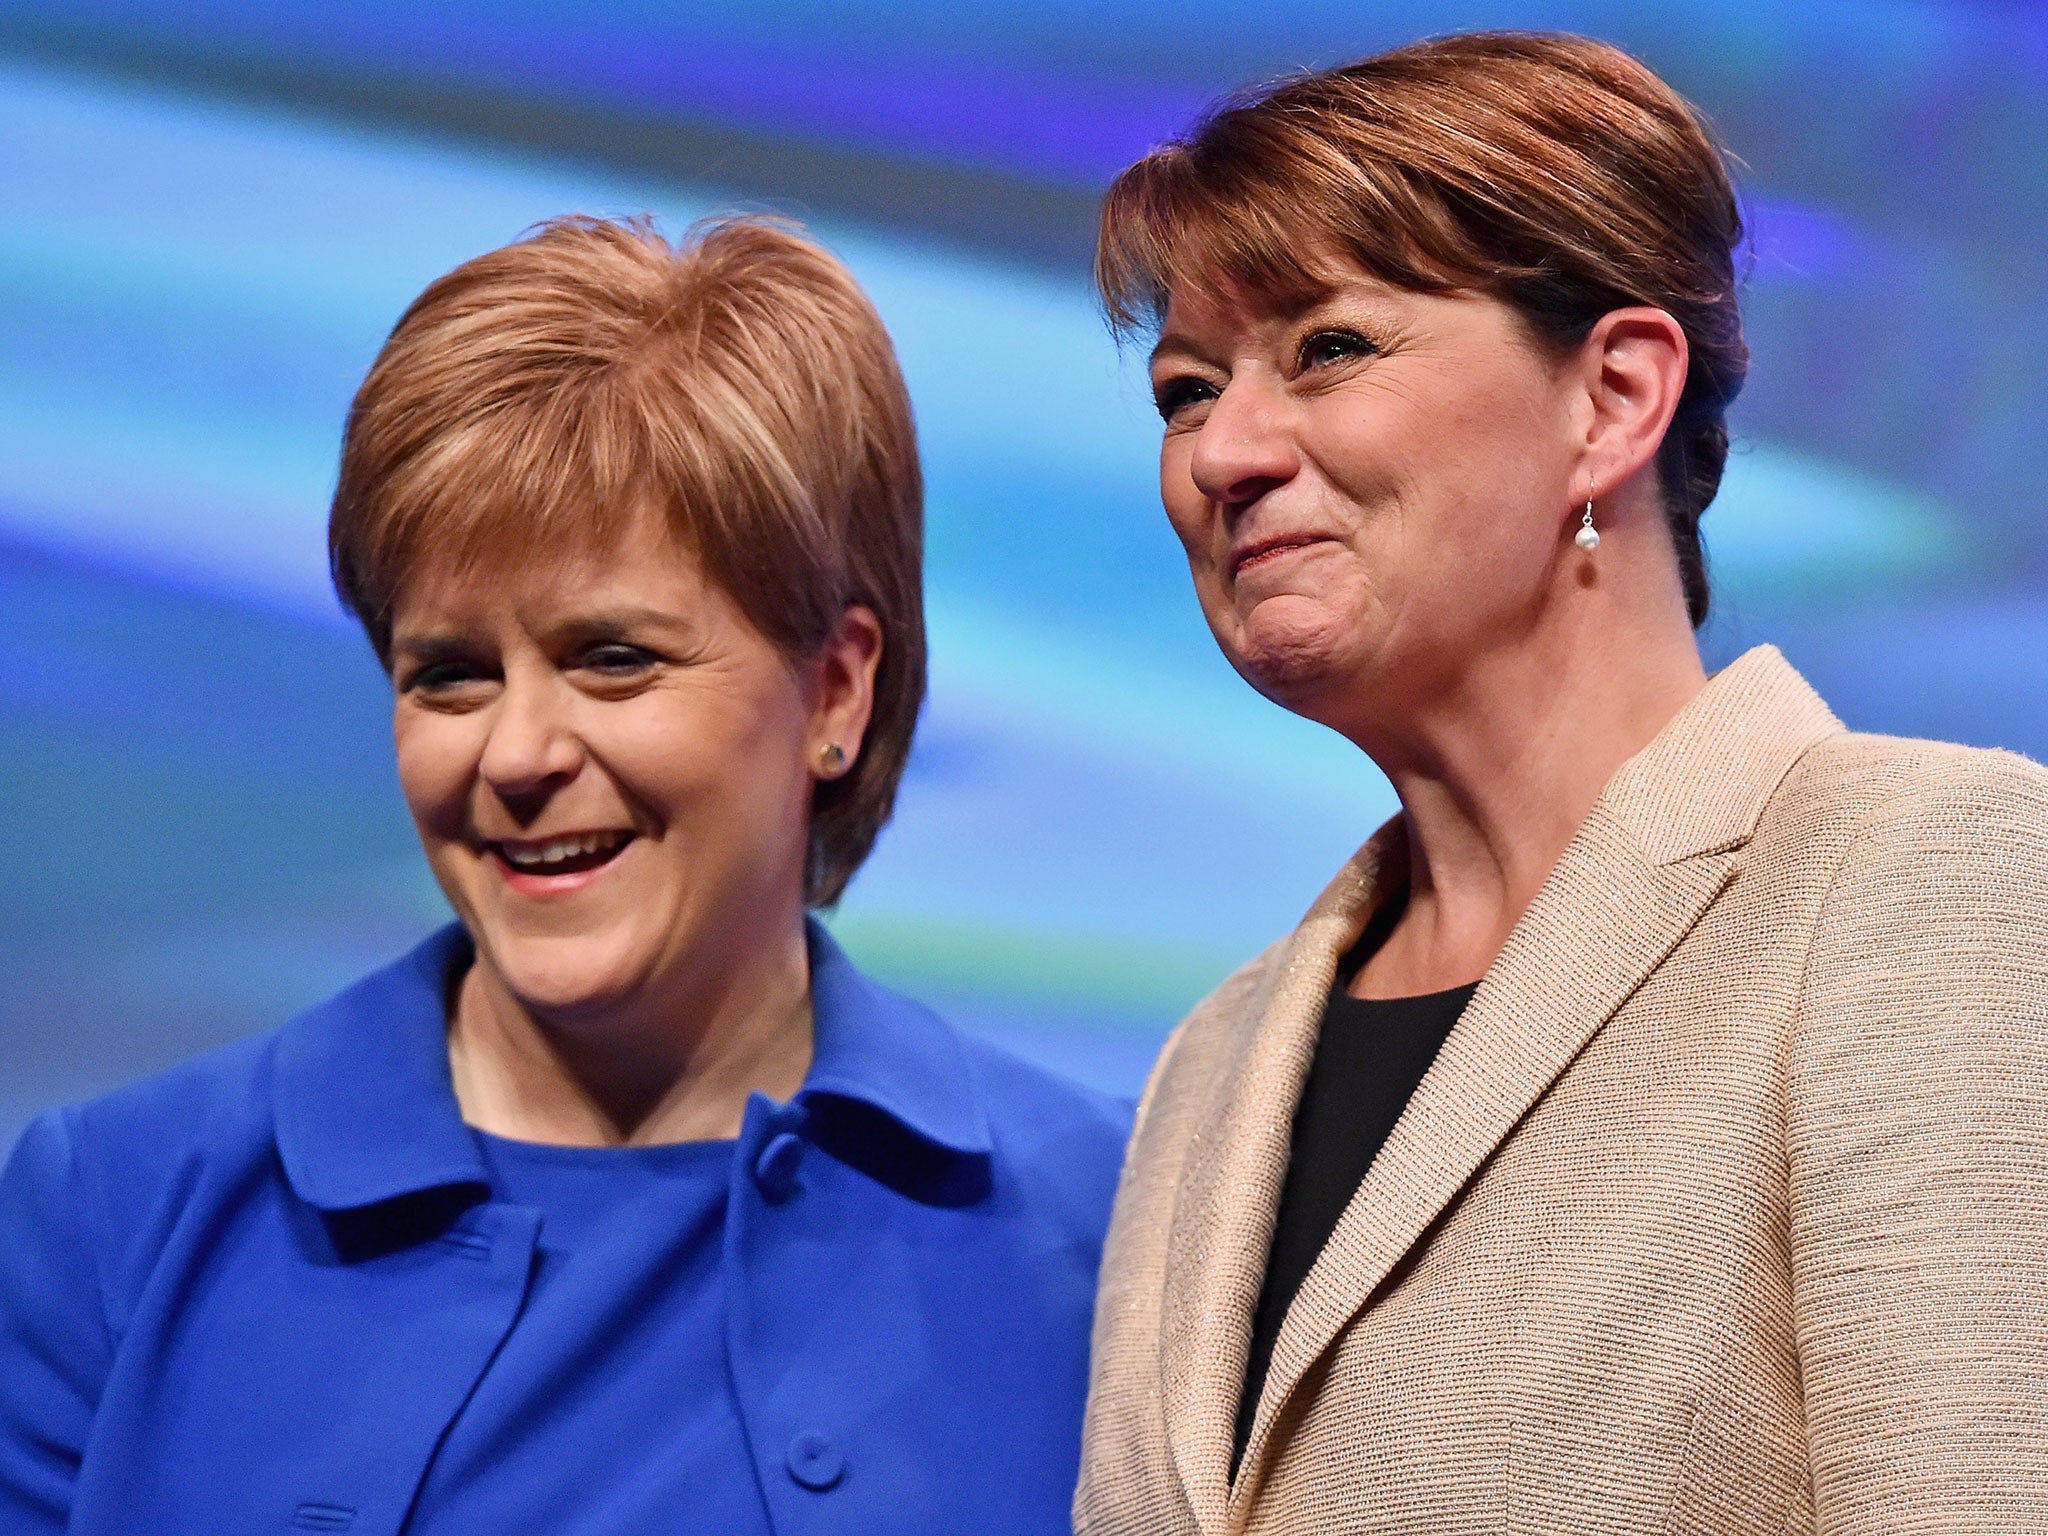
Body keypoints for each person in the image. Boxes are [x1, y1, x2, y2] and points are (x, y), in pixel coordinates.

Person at [0, 214, 1130, 1535]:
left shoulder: (1115, 1228)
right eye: (451, 676)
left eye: (613, 658)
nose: (519, 756)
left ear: (836, 687)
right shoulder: (114, 1215)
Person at [1075, 31, 2048, 1534]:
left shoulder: (1917, 879)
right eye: (1185, 391)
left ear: (1612, 396)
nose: (1226, 453)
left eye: (1329, 348)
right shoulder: (1213, 1063)